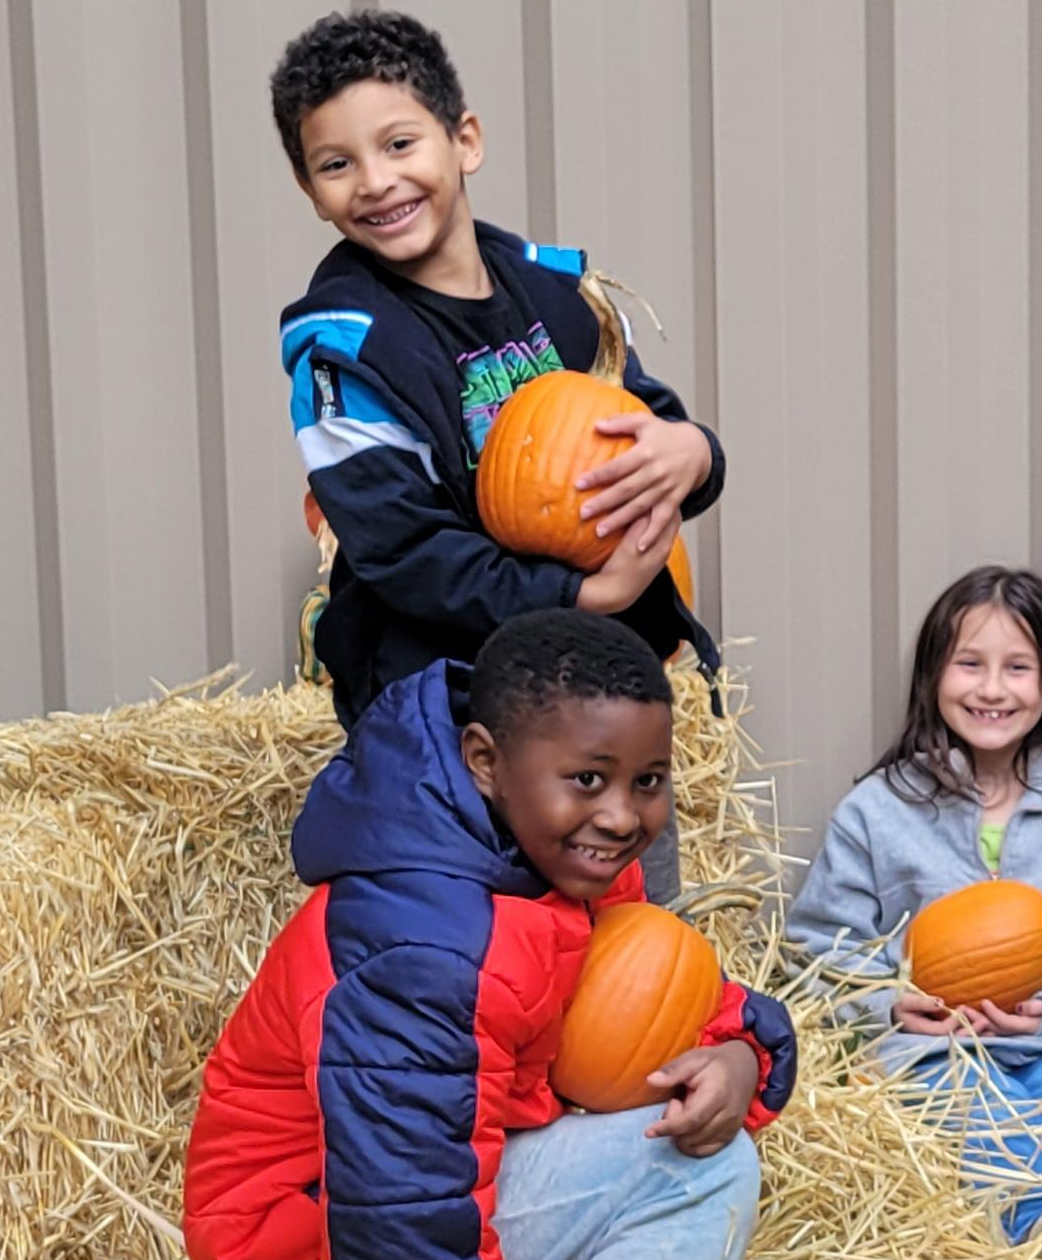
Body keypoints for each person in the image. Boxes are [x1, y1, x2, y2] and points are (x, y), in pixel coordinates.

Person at [268, 12, 726, 904]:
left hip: (601, 696)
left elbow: (637, 416)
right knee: (488, 945)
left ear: (463, 140)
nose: (377, 181)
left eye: (400, 142)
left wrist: (693, 452)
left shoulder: (552, 291)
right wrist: (579, 594)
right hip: (455, 715)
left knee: (632, 939)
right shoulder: (345, 350)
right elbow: (402, 549)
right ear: (310, 188)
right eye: (338, 164)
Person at [183, 610, 796, 1260]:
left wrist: (737, 1057)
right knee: (696, 1170)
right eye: (588, 779)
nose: (621, 817)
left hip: (439, 1178)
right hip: (306, 1229)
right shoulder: (421, 945)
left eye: (647, 781)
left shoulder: (564, 862)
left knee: (700, 1146)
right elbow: (402, 1217)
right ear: (484, 762)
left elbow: (654, 996)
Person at [784, 567, 1042, 1243]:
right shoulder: (877, 811)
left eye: (1017, 667)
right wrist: (886, 1004)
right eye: (970, 664)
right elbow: (819, 947)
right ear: (935, 676)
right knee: (996, 1150)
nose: (992, 689)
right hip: (938, 1050)